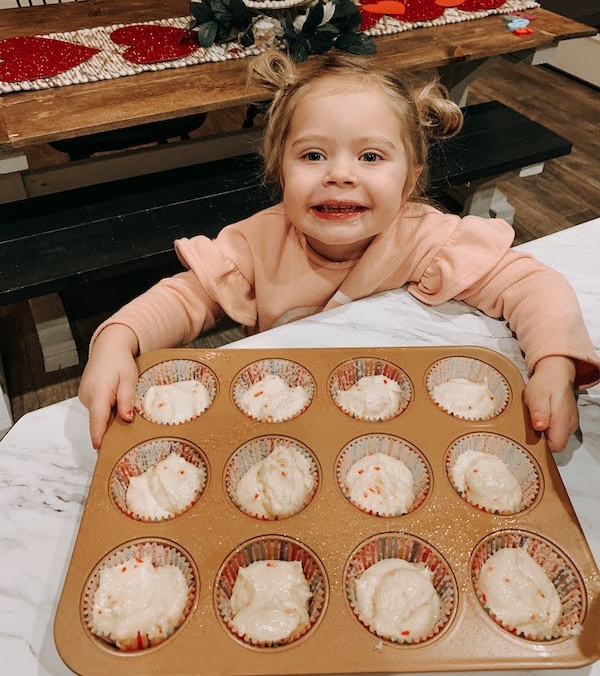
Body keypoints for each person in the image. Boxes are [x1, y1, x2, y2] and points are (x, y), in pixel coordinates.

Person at [79, 49, 599, 451]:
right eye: (313, 154)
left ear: (410, 179)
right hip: (280, 419)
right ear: (279, 170)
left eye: (370, 156)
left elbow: (530, 285)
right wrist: (117, 340)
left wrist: (555, 361)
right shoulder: (261, 242)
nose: (340, 175)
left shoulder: (423, 237)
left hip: (392, 424)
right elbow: (185, 299)